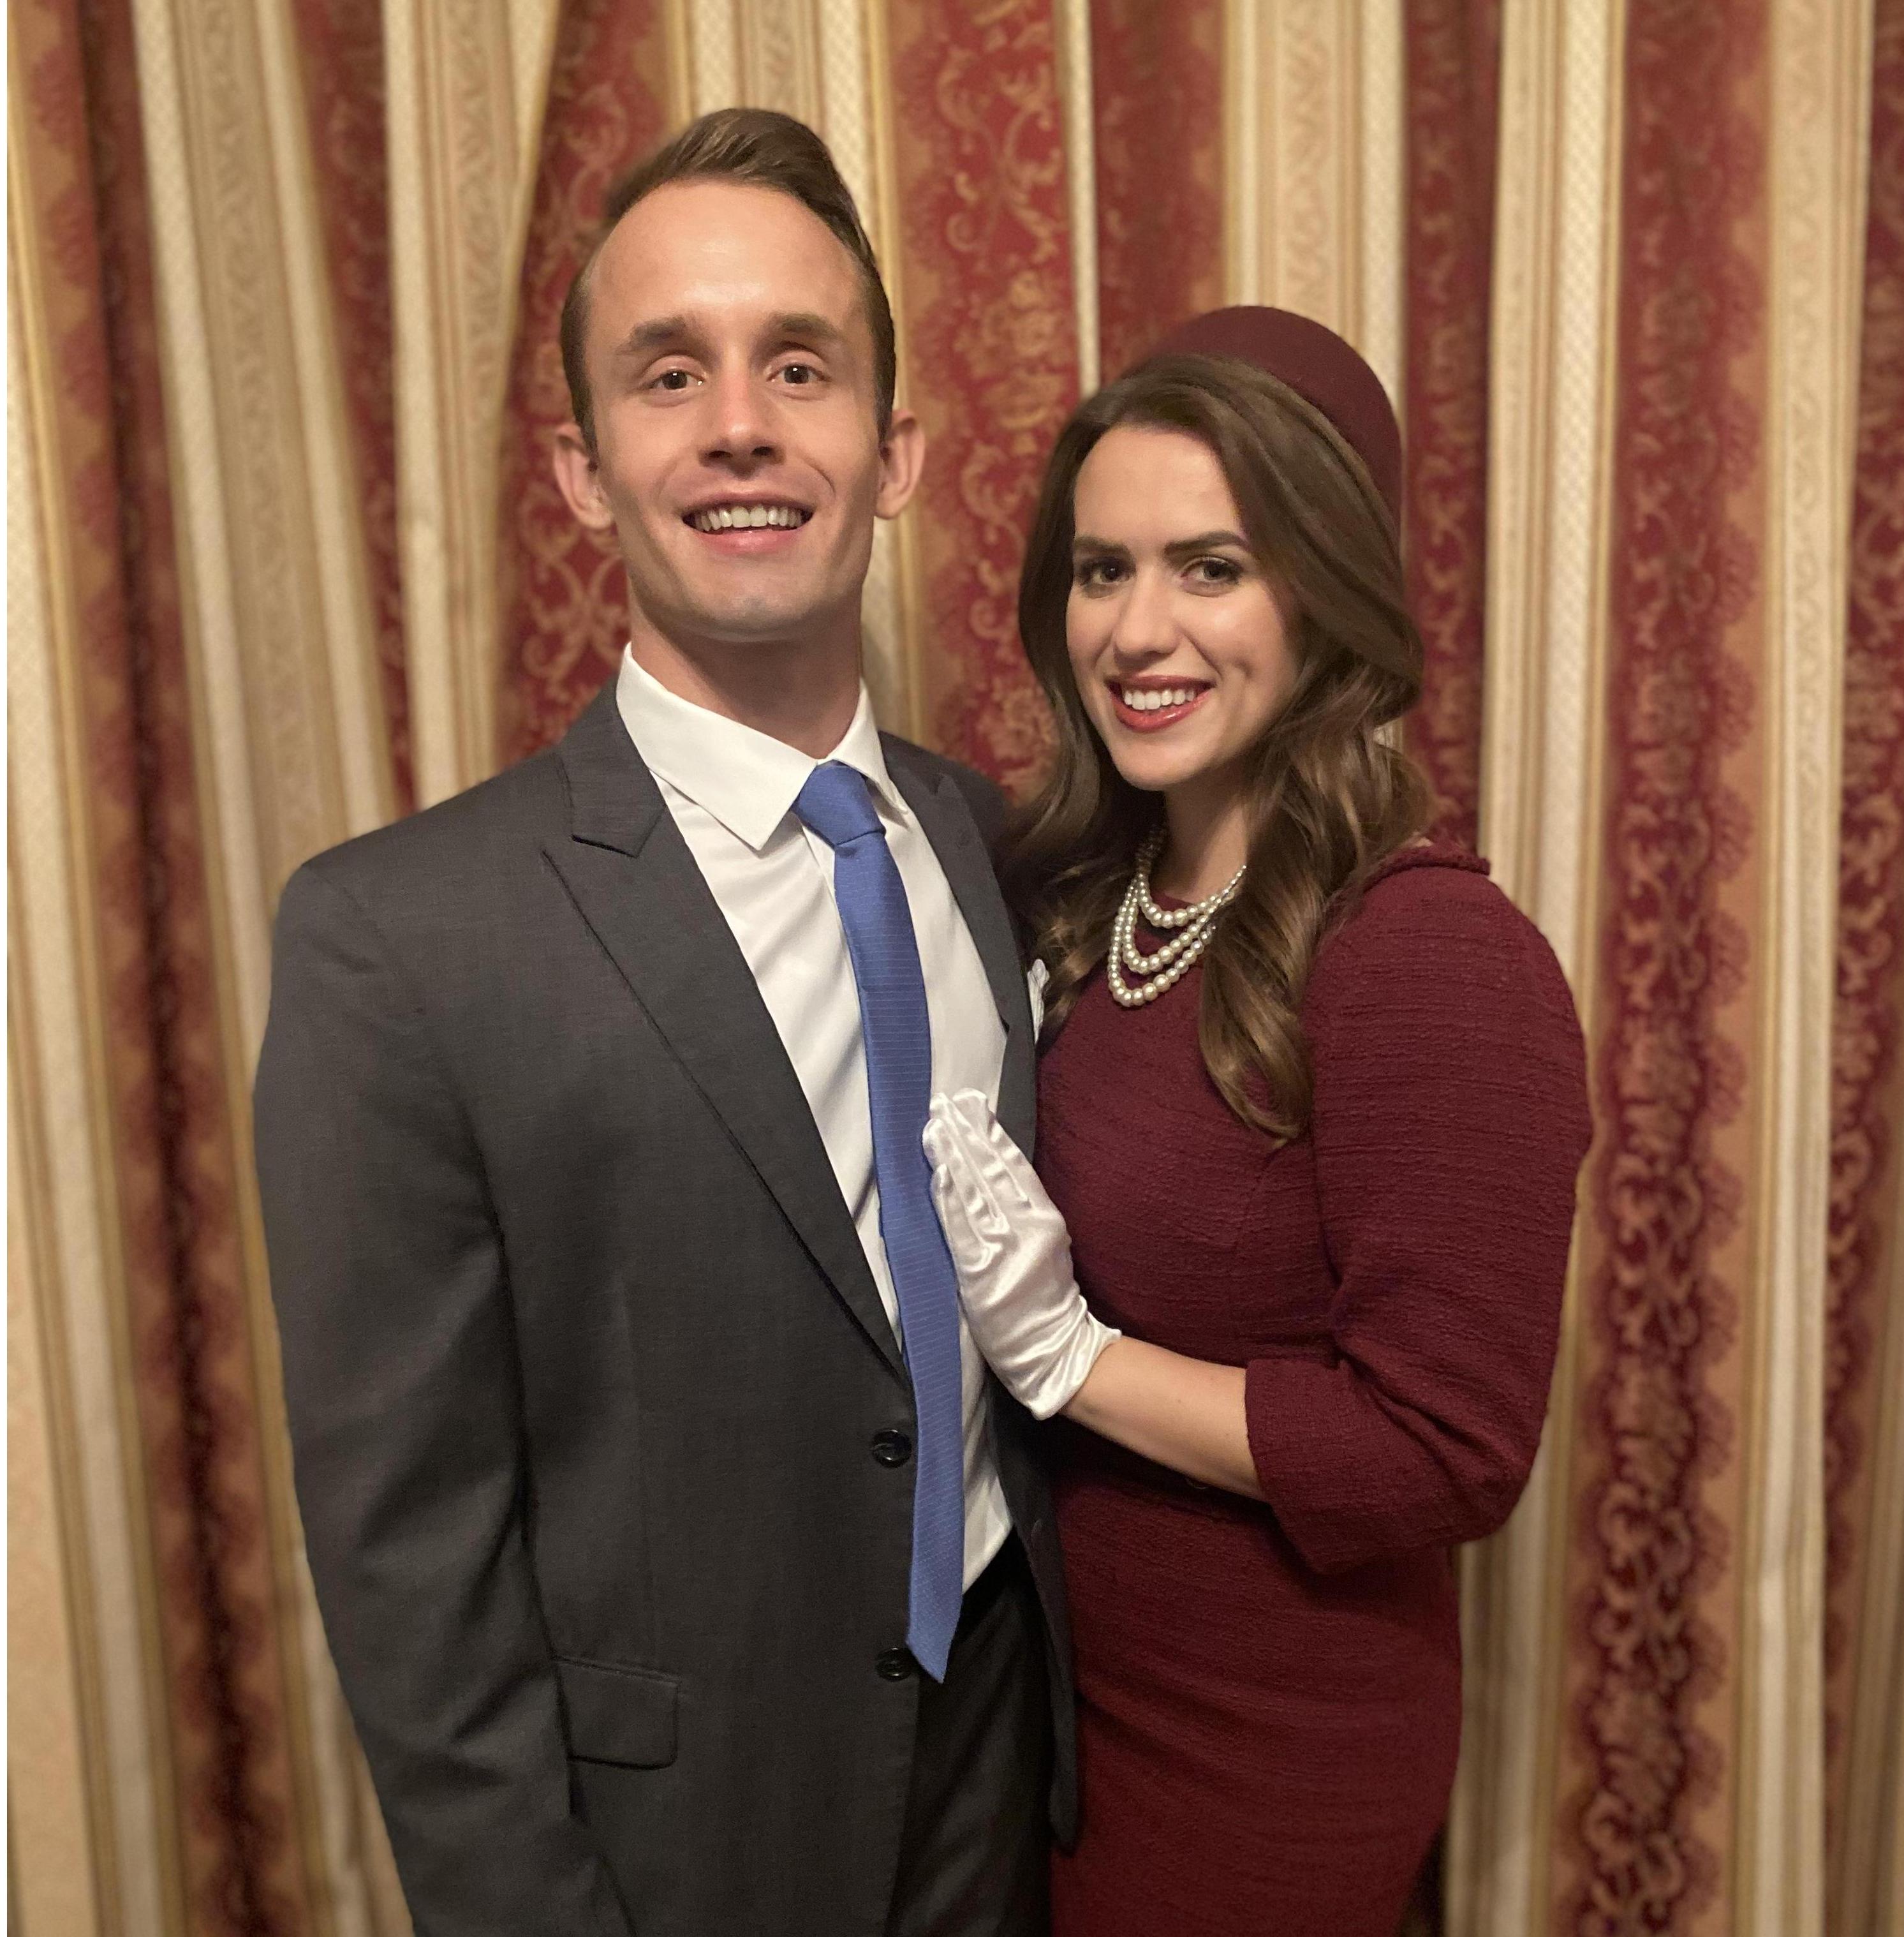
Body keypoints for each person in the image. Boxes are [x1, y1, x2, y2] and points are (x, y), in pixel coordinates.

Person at [254, 108, 1073, 1937]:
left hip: (1015, 1799)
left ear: (897, 451)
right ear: (578, 470)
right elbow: (413, 1568)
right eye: (666, 373)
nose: (738, 425)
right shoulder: (396, 940)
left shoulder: (1003, 851)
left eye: (801, 365)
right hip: (671, 1861)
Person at [922, 308, 1593, 1936]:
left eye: (1211, 567)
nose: (1139, 630)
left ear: (1329, 598)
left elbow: (1450, 1448)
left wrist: (1075, 1362)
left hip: (1265, 1761)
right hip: (1057, 1714)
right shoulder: (1085, 896)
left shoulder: (1429, 957)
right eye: (1102, 570)